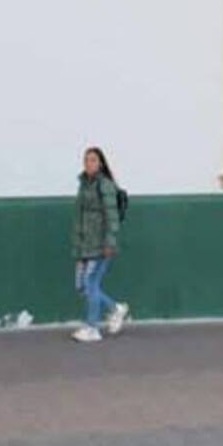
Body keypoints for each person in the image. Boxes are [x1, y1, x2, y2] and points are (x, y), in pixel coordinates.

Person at [72, 147, 130, 343]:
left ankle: (92, 328)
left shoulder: (104, 185)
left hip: (100, 245)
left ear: (101, 163)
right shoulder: (83, 185)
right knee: (82, 286)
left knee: (91, 284)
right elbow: (80, 215)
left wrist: (109, 243)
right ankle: (115, 308)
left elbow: (112, 216)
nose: (89, 163)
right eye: (86, 160)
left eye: (93, 160)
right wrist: (78, 245)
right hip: (85, 245)